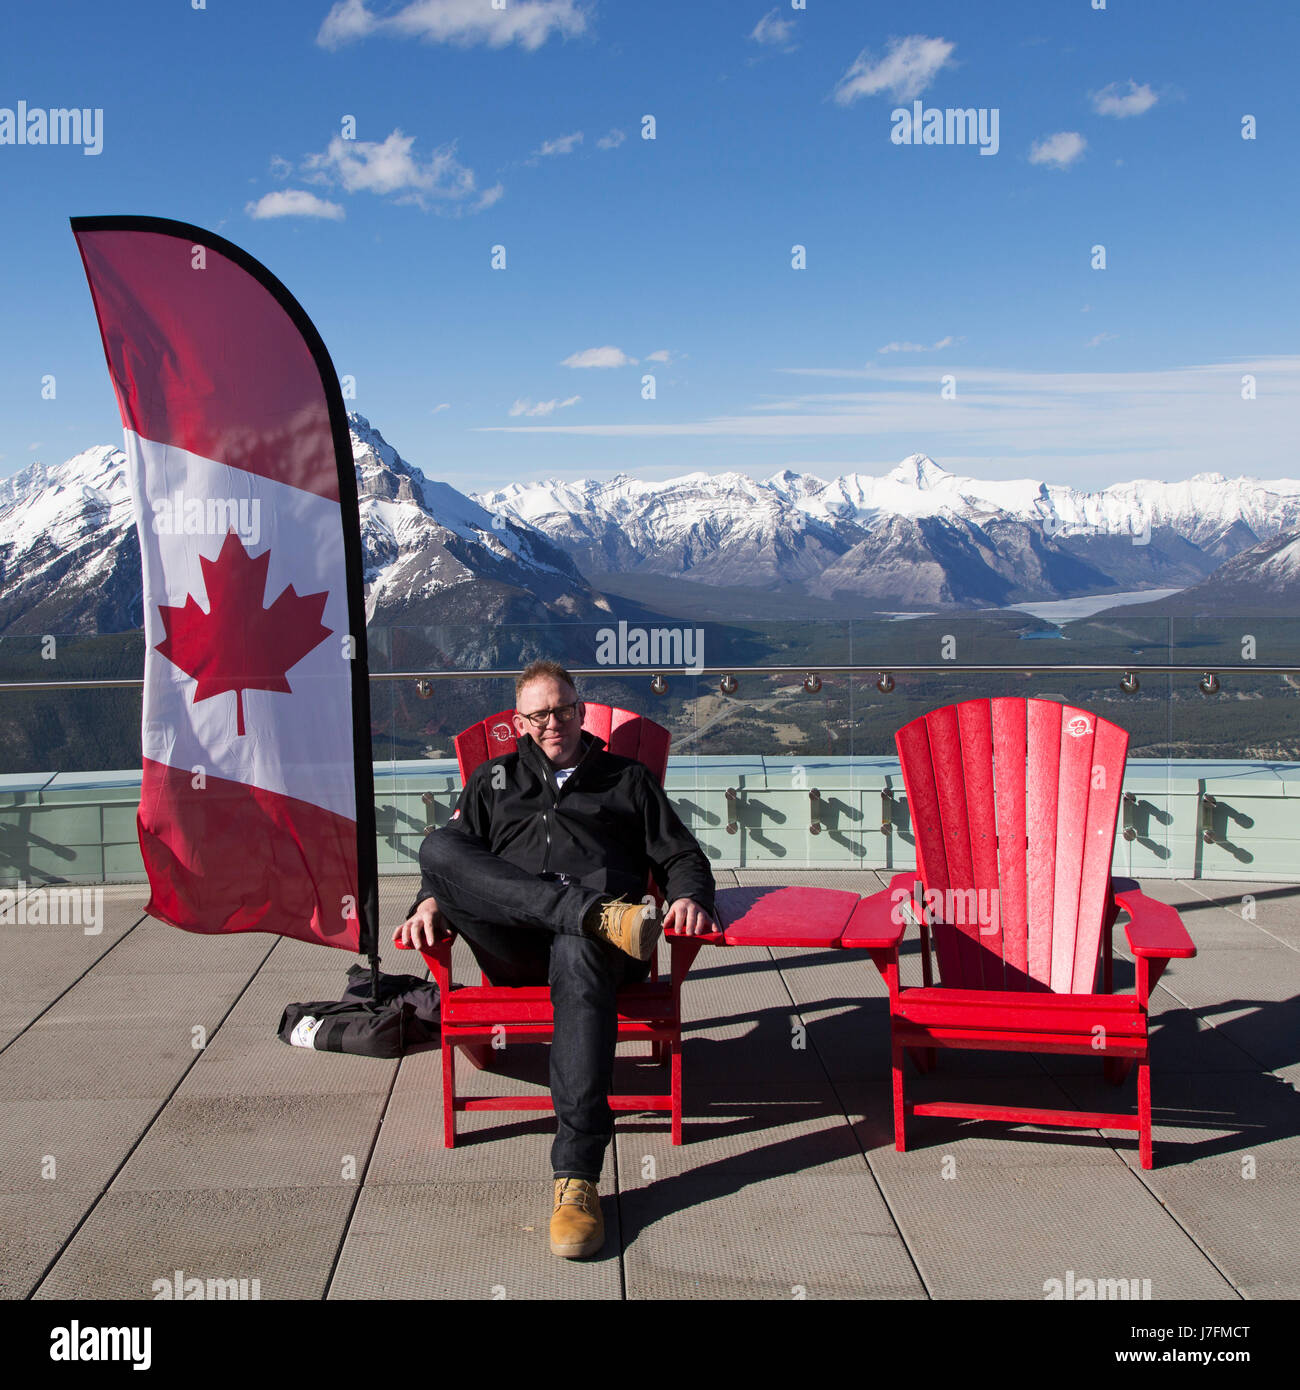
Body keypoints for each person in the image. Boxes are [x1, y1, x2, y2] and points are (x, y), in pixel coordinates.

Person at [394, 659, 717, 1259]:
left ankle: (576, 1179)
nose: (552, 723)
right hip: (516, 944)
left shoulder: (628, 780)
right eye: (539, 714)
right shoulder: (493, 781)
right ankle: (589, 911)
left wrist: (690, 898)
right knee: (438, 843)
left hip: (603, 952)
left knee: (577, 947)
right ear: (520, 722)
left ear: (580, 710)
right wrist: (428, 900)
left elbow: (681, 857)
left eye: (562, 710)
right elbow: (451, 859)